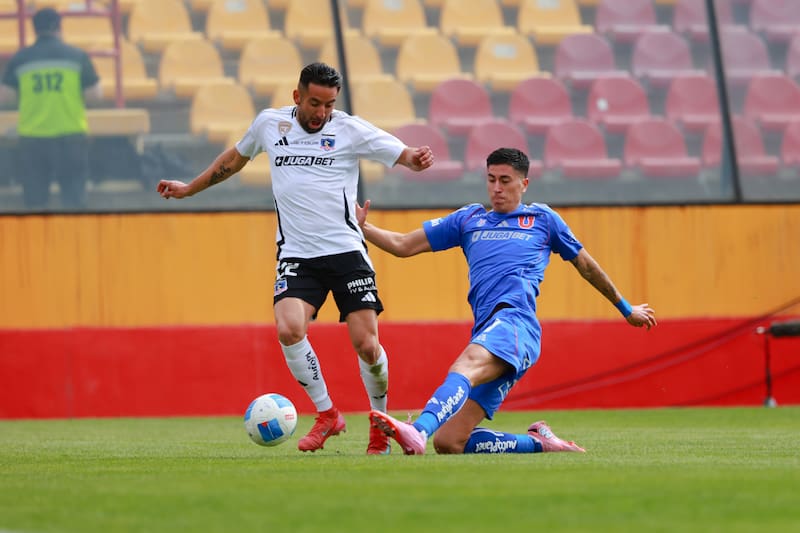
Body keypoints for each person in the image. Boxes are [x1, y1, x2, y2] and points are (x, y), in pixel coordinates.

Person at [156, 62, 434, 455]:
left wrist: (414, 158)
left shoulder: (348, 128)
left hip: (346, 251)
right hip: (297, 253)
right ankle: (328, 414)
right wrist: (188, 190)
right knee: (288, 328)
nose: (322, 112)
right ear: (297, 97)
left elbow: (399, 152)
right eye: (315, 103)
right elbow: (232, 161)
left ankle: (380, 423)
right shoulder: (270, 125)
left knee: (367, 346)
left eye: (329, 104)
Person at [357, 147, 657, 455]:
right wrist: (361, 226)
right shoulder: (468, 219)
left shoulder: (542, 219)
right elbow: (403, 245)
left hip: (516, 325)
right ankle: (541, 443)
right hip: (489, 331)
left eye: (505, 180)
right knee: (450, 442)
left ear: (524, 184)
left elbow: (586, 265)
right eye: (491, 180)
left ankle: (418, 431)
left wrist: (626, 308)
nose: (497, 188)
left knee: (466, 364)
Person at [0, 7, 101, 209]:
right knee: (74, 201)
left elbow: (5, 96)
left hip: (33, 138)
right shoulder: (77, 56)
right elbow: (95, 95)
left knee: (35, 204)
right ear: (59, 27)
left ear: (34, 29)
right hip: (70, 135)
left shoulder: (20, 59)